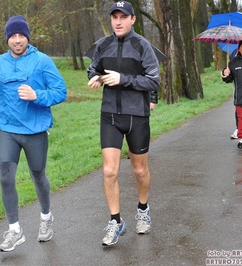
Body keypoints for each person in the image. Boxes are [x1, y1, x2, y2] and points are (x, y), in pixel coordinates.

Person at [0, 15, 67, 252]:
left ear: (27, 37)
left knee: (38, 176)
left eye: (21, 35)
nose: (17, 40)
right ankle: (15, 230)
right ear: (7, 39)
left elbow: (61, 91)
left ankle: (46, 218)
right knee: (6, 177)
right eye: (13, 36)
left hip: (35, 131)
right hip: (8, 130)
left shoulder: (42, 61)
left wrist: (38, 96)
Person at [87, 1, 160, 246]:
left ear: (132, 19)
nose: (118, 21)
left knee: (139, 171)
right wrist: (95, 77)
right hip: (110, 115)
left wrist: (123, 79)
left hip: (137, 117)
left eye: (123, 17)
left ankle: (143, 209)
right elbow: (92, 69)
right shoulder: (102, 45)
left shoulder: (143, 46)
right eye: (114, 17)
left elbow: (153, 81)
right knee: (109, 170)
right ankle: (116, 221)